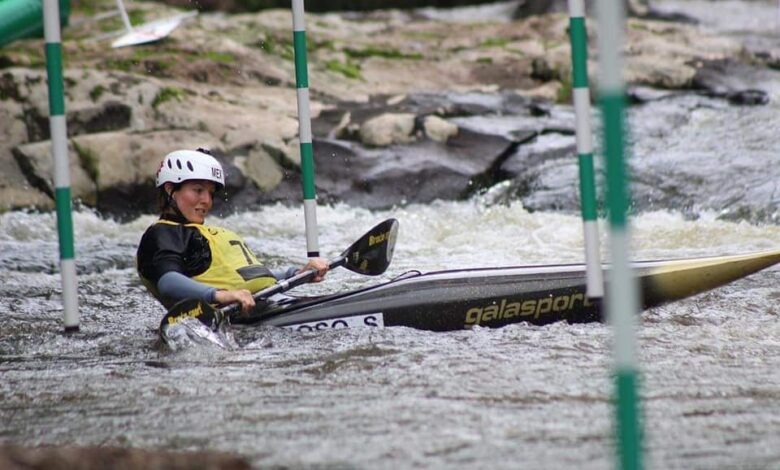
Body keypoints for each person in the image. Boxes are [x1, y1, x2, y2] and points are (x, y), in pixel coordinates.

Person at [137, 148, 328, 313]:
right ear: (171, 189)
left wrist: (297, 274)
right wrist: (220, 295)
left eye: (210, 194)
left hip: (270, 303)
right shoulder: (162, 234)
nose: (207, 200)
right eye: (198, 190)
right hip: (235, 314)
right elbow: (168, 282)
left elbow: (250, 277)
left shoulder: (210, 233)